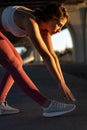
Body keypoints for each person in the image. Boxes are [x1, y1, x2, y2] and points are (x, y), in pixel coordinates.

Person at [0, 3, 76, 117]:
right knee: (14, 64)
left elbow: (51, 56)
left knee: (18, 62)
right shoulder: (30, 21)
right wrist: (60, 83)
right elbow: (44, 56)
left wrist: (62, 82)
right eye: (59, 25)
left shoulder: (44, 29)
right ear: (50, 18)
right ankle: (47, 106)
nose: (60, 30)